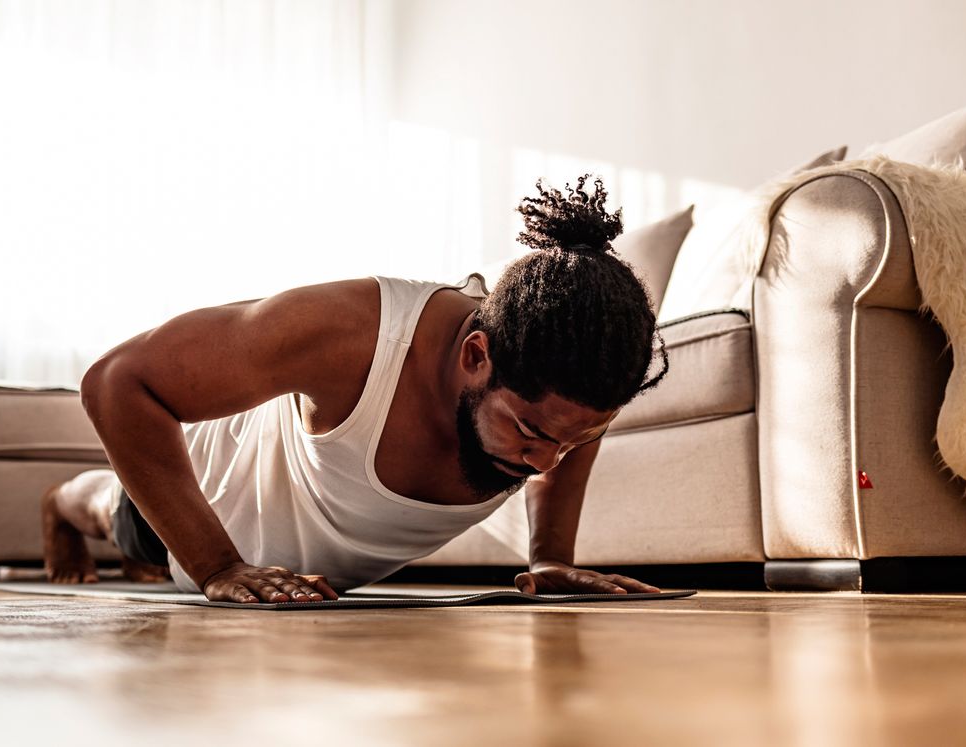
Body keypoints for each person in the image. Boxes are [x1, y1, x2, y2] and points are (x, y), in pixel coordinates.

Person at [42, 175, 668, 603]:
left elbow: (565, 435)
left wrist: (549, 558)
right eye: (530, 432)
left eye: (578, 436)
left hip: (302, 560)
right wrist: (218, 566)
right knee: (120, 519)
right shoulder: (352, 333)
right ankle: (61, 503)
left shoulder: (568, 387)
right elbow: (116, 381)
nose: (544, 463)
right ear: (476, 356)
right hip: (215, 498)